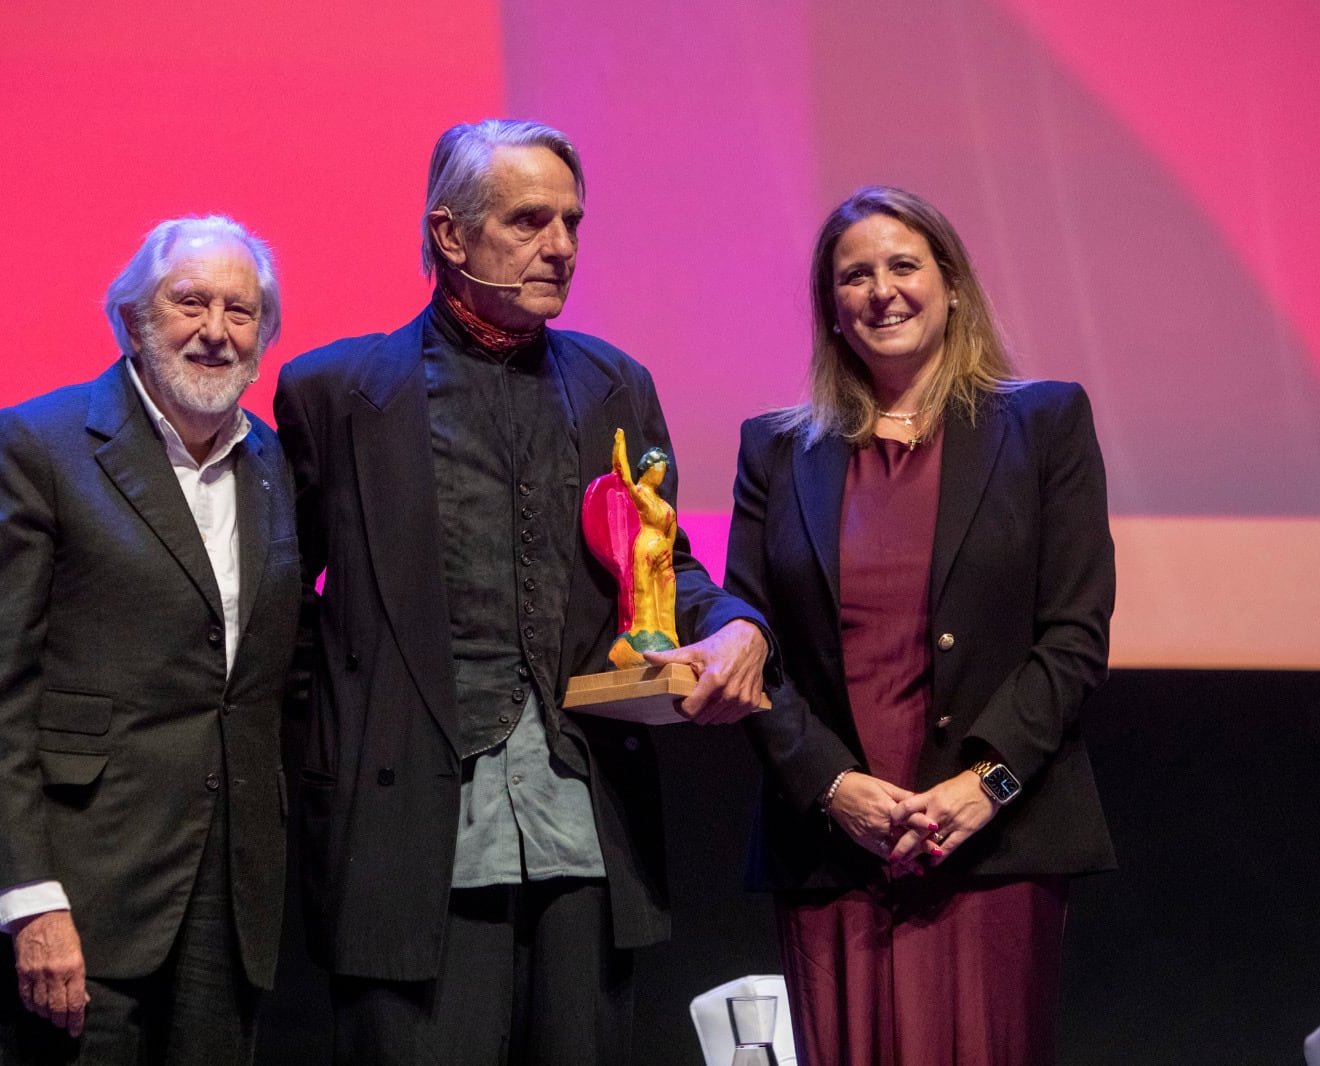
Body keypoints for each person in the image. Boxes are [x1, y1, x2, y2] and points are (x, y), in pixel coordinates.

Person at [273, 119, 771, 1064]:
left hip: (583, 817)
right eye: (531, 220)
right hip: (406, 827)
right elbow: (284, 612)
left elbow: (669, 569)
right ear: (449, 234)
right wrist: (337, 740)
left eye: (574, 222)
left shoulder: (614, 384)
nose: (562, 246)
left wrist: (739, 624)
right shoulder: (334, 393)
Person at [727, 186, 1116, 1065]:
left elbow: (1075, 634)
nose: (881, 291)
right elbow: (749, 646)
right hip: (835, 847)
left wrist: (988, 785)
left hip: (994, 840)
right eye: (854, 274)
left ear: (951, 285)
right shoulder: (776, 449)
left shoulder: (1044, 423)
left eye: (904, 265)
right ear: (831, 306)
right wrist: (833, 788)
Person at [0, 214, 302, 1064]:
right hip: (81, 896)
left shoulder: (276, 465)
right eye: (189, 302)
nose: (215, 331)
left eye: (241, 311)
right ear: (133, 320)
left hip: (229, 897)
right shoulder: (39, 444)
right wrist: (29, 901)